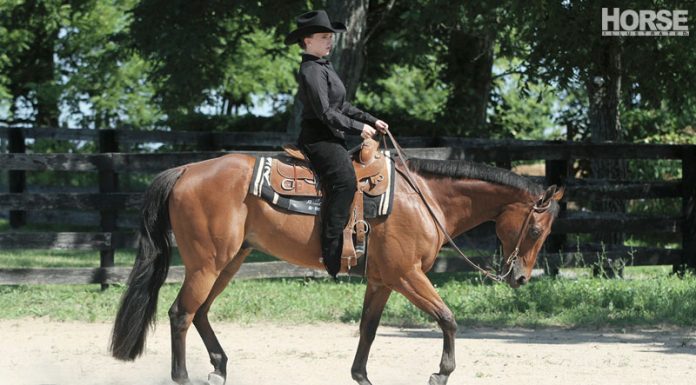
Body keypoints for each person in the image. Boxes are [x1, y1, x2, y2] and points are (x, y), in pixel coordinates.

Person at [285, 10, 389, 278]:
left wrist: (371, 120)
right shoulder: (310, 70)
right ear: (307, 41)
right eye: (323, 36)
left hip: (332, 136)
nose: (330, 41)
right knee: (345, 182)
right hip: (318, 138)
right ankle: (330, 249)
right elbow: (325, 113)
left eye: (331, 36)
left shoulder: (324, 66)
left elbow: (342, 106)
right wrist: (358, 128)